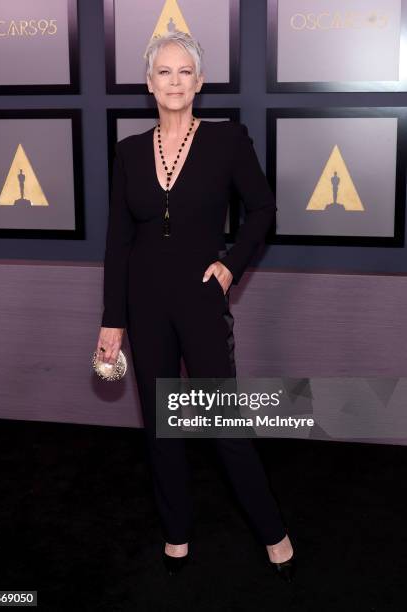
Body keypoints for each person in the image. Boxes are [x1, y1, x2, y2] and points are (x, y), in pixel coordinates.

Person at [96, 31, 295, 582]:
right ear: (149, 83)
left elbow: (262, 209)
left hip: (201, 298)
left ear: (200, 82)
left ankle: (273, 531)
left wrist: (231, 264)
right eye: (165, 72)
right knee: (162, 426)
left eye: (186, 72)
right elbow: (118, 241)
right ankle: (176, 531)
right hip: (143, 303)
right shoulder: (130, 150)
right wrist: (112, 320)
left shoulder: (228, 141)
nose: (175, 82)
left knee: (223, 423)